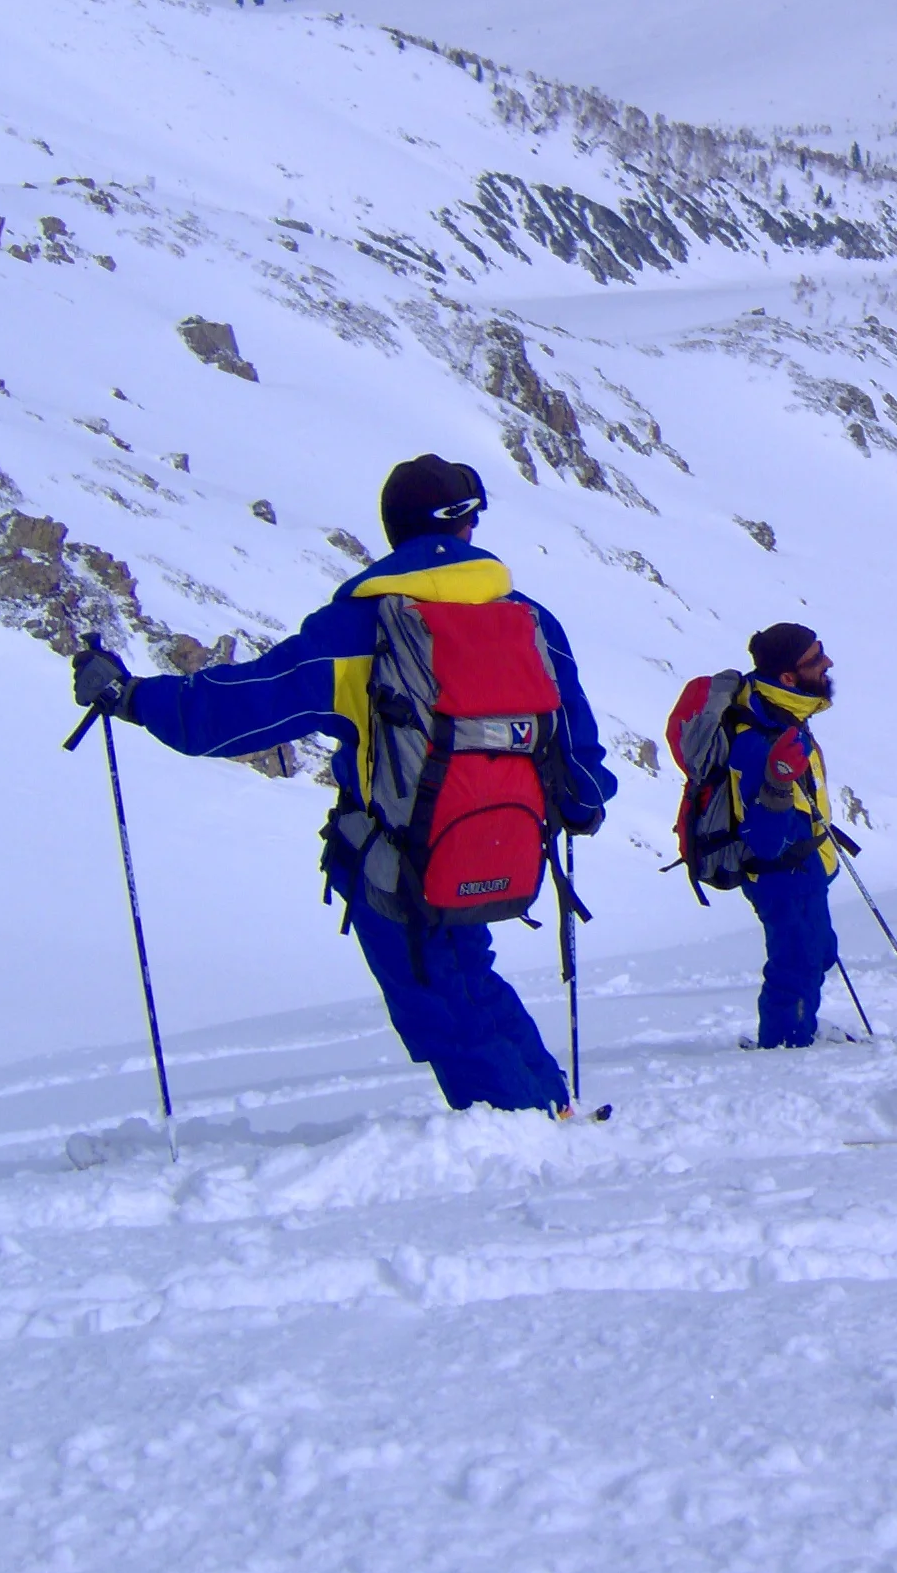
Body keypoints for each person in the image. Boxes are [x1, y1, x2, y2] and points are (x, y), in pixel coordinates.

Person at [68, 455, 616, 1115]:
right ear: (468, 527)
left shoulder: (359, 630)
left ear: (393, 530)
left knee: (437, 994)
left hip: (402, 858)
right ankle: (550, 1108)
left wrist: (129, 697)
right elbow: (577, 740)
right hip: (510, 843)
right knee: (466, 975)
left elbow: (236, 710)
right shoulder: (530, 621)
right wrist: (583, 806)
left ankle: (518, 1126)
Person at [729, 622, 846, 1049]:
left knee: (818, 952)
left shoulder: (784, 715)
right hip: (781, 874)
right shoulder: (757, 739)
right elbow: (763, 839)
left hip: (805, 868)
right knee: (797, 961)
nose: (828, 662)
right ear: (787, 678)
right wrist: (777, 782)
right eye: (816, 659)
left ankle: (798, 1030)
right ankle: (786, 1047)